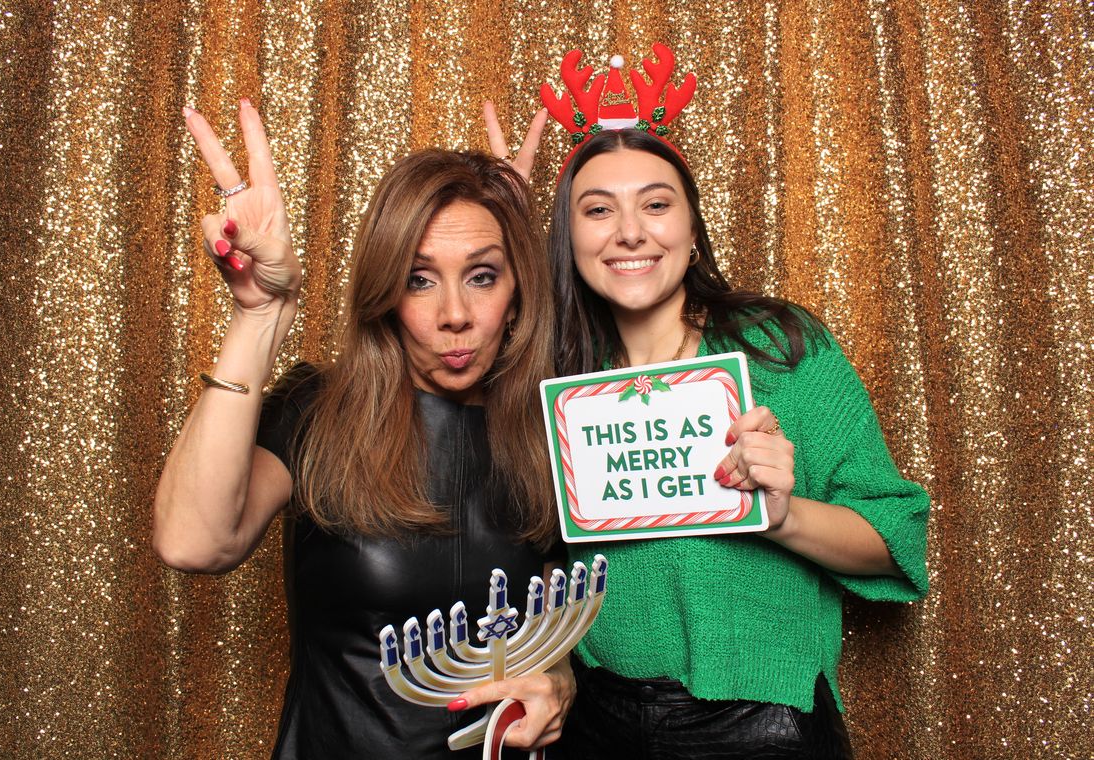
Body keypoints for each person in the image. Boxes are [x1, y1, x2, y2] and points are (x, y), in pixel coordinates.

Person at [486, 47, 930, 758]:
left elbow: (896, 539)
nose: (630, 232)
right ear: (569, 239)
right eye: (597, 211)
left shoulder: (782, 348)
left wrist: (779, 515)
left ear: (691, 230)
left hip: (763, 722)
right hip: (597, 726)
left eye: (656, 205)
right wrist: (500, 231)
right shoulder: (553, 376)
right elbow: (534, 555)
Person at [153, 98, 572, 758]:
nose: (455, 314)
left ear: (517, 290)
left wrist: (559, 686)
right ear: (385, 291)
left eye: (483, 276)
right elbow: (192, 542)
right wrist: (258, 318)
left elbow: (565, 626)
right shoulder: (319, 411)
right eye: (419, 280)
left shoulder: (552, 431)